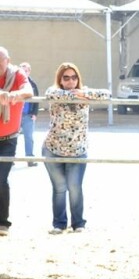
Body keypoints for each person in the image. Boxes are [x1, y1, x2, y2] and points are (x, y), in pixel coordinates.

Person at [43, 63, 110, 234]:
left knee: (75, 187)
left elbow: (107, 94)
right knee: (59, 188)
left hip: (78, 150)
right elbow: (49, 93)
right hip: (54, 148)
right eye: (66, 77)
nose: (71, 81)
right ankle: (59, 224)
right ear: (60, 79)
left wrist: (84, 94)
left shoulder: (85, 92)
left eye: (74, 77)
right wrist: (75, 95)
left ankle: (79, 224)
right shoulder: (54, 91)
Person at [0, 47, 33, 236]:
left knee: (1, 180)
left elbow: (28, 90)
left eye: (0, 61)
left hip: (8, 138)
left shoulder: (17, 74)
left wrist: (14, 95)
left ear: (8, 60)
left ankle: (3, 222)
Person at [18, 62, 39, 166]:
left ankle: (30, 159)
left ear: (29, 71)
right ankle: (10, 160)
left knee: (29, 137)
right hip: (16, 115)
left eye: (26, 70)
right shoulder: (14, 83)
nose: (24, 72)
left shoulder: (33, 84)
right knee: (11, 138)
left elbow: (37, 100)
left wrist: (34, 113)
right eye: (22, 70)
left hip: (28, 115)